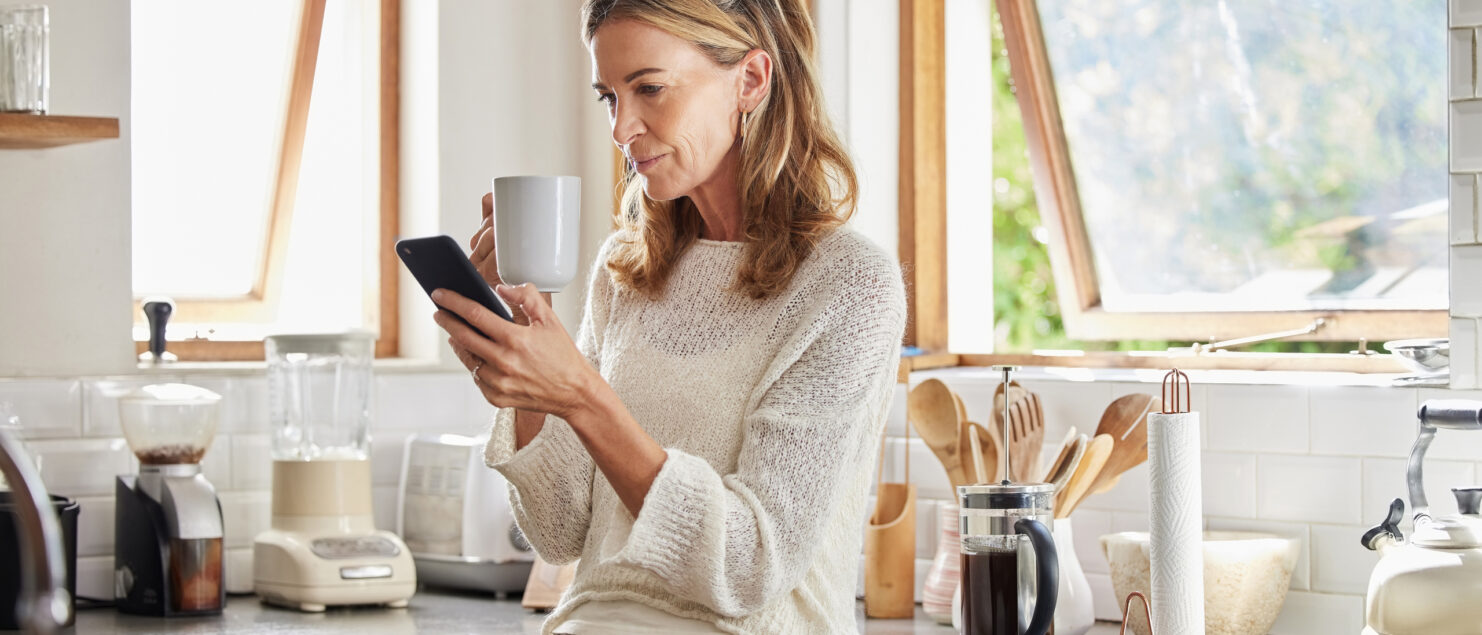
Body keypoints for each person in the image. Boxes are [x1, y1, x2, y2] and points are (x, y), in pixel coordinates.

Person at [431, 0, 906, 632]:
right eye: (609, 97)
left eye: (649, 88)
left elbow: (749, 566)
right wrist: (528, 386)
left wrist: (581, 396)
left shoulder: (850, 288)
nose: (622, 128)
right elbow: (560, 533)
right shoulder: (628, 271)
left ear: (751, 80)